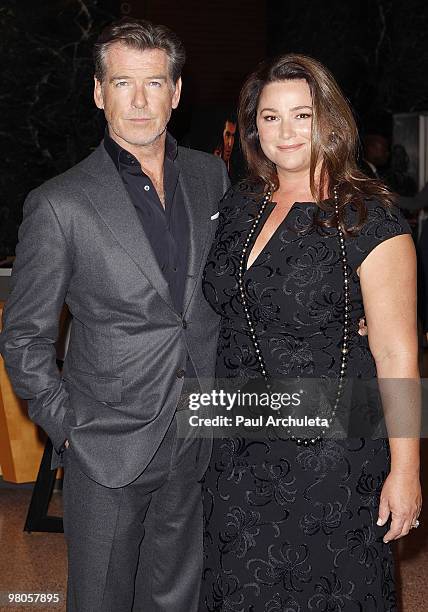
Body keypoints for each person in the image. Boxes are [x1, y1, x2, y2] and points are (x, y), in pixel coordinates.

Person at [0, 18, 229, 612]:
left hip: (196, 426)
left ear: (176, 93)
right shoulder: (59, 203)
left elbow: (233, 289)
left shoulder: (212, 176)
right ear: (98, 92)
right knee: (99, 596)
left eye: (154, 83)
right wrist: (67, 426)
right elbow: (24, 336)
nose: (139, 100)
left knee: (177, 594)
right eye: (122, 82)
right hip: (105, 442)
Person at [200, 54, 421, 610]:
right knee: (237, 588)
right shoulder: (240, 203)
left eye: (302, 115)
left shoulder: (371, 217)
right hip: (236, 442)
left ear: (330, 121)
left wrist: (407, 470)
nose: (286, 131)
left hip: (331, 451)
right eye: (270, 117)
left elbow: (397, 352)